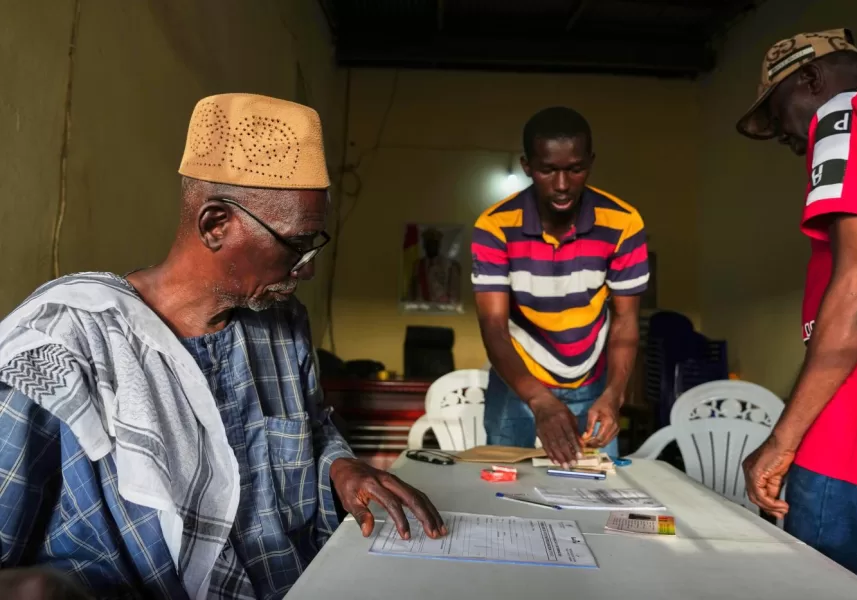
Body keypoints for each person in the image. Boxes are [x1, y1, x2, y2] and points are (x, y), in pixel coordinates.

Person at [0, 93, 445, 600]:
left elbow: (316, 432)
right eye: (296, 244)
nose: (309, 267)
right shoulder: (61, 346)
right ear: (215, 224)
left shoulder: (282, 323)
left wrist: (343, 468)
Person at [737, 29, 857, 598]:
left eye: (785, 120)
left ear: (810, 79)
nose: (792, 140)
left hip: (856, 463)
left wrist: (781, 443)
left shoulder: (847, 112)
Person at [471, 106, 648, 467]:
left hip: (593, 383)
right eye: (548, 170)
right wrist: (538, 399)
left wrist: (614, 396)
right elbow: (493, 328)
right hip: (516, 385)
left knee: (597, 494)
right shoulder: (494, 227)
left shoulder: (623, 223)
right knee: (504, 487)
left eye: (575, 169)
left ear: (591, 163)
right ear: (527, 166)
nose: (563, 184)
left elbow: (626, 322)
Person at [407, 228, 461, 304]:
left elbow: (454, 292)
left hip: (443, 310)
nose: (431, 246)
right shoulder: (417, 265)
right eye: (428, 243)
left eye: (433, 243)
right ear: (424, 245)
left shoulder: (450, 265)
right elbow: (412, 291)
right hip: (421, 309)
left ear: (438, 245)